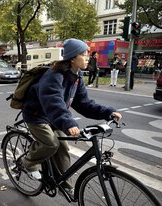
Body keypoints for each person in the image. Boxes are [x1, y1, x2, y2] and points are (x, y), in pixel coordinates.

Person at [21, 38, 122, 195]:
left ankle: (64, 184)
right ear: (73, 57)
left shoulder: (77, 77)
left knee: (63, 148)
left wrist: (107, 112)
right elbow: (53, 102)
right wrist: (68, 123)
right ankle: (28, 163)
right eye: (84, 54)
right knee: (51, 143)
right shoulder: (54, 76)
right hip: (37, 115)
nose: (88, 57)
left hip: (53, 117)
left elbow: (84, 104)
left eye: (88, 54)